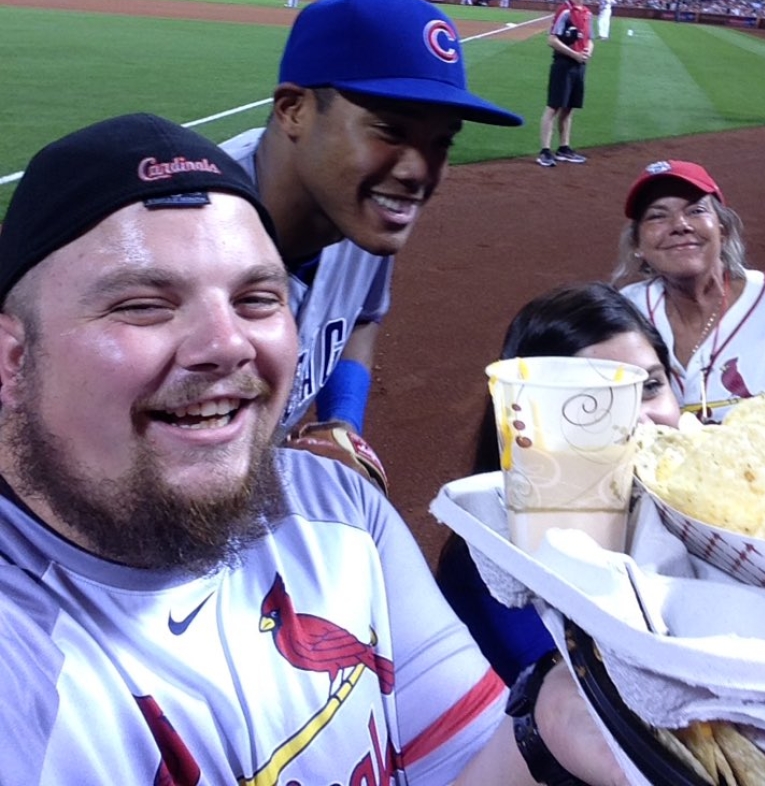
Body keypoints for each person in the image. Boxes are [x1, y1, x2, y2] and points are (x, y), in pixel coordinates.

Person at [0, 114, 628, 786]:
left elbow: (462, 765)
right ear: (11, 359)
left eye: (256, 298)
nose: (228, 343)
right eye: (144, 305)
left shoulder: (335, 506)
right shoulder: (22, 661)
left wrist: (551, 730)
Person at [221, 0, 522, 443]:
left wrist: (341, 424)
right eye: (389, 129)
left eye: (441, 141)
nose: (418, 171)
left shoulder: (360, 210)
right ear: (294, 110)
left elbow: (359, 315)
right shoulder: (183, 230)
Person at [436, 282, 680, 687]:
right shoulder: (498, 575)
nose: (637, 419)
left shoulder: (709, 524)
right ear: (533, 419)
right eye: (594, 401)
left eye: (651, 387)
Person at [613, 159, 765, 423]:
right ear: (637, 244)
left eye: (696, 210)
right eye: (657, 215)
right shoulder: (624, 312)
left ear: (722, 231)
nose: (680, 225)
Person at [537, 0, 594, 168]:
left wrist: (587, 52)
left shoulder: (587, 13)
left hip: (579, 65)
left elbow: (589, 39)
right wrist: (574, 54)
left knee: (569, 110)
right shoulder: (565, 11)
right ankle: (544, 150)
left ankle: (563, 148)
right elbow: (551, 40)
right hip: (563, 64)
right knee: (553, 107)